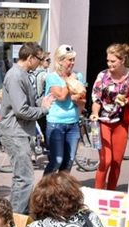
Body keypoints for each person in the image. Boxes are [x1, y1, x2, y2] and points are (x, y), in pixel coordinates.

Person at [0, 42, 54, 215]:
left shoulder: (22, 74)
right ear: (30, 58)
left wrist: (41, 102)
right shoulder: (16, 76)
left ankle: (15, 215)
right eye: (40, 58)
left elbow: (27, 103)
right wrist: (44, 110)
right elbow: (21, 110)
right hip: (15, 133)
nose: (41, 62)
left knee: (22, 178)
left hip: (20, 132)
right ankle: (16, 218)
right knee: (25, 179)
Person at [90, 44, 129, 190]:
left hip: (121, 122)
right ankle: (98, 192)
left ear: (122, 60)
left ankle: (111, 192)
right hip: (103, 121)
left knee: (117, 161)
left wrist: (128, 101)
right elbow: (96, 98)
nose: (109, 64)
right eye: (108, 61)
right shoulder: (102, 76)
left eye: (113, 61)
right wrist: (95, 113)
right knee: (106, 160)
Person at [43, 44, 86, 176]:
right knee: (57, 161)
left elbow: (83, 100)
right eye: (69, 60)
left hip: (73, 123)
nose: (72, 63)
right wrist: (70, 81)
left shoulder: (79, 76)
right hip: (56, 123)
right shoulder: (52, 77)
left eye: (73, 59)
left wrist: (77, 100)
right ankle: (44, 186)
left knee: (68, 162)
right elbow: (61, 96)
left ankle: (61, 187)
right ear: (60, 60)